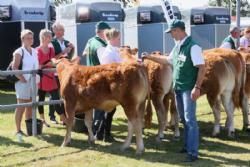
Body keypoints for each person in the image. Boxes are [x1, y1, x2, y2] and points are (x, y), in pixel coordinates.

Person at [142, 19, 206, 162]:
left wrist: (197, 87)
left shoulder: (193, 47)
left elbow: (202, 67)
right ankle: (187, 146)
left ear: (179, 30)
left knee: (190, 120)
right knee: (184, 119)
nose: (171, 35)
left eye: (172, 32)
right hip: (178, 88)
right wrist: (149, 56)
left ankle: (193, 152)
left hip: (188, 88)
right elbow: (167, 60)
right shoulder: (177, 46)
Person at [81, 21, 116, 142]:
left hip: (90, 77)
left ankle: (95, 131)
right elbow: (104, 63)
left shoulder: (90, 41)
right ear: (103, 32)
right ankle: (97, 133)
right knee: (101, 108)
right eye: (107, 32)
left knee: (95, 107)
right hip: (99, 80)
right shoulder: (101, 45)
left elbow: (84, 53)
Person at [12, 29, 40, 142]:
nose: (30, 40)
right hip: (23, 82)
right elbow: (14, 68)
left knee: (30, 106)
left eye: (31, 38)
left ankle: (30, 129)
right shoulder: (19, 51)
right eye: (28, 38)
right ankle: (18, 130)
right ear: (22, 39)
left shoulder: (34, 51)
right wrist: (22, 79)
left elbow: (36, 66)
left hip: (33, 82)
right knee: (21, 106)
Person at [95, 28, 122, 142]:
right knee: (108, 110)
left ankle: (102, 133)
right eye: (118, 38)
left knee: (110, 110)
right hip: (108, 84)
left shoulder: (114, 50)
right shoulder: (108, 52)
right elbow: (107, 70)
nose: (120, 40)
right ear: (113, 39)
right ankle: (105, 134)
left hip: (113, 84)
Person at [37, 29, 66, 127]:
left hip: (51, 77)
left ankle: (63, 118)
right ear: (43, 37)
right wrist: (47, 64)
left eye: (50, 36)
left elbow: (53, 61)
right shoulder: (37, 50)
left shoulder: (51, 49)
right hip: (41, 78)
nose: (50, 38)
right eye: (49, 36)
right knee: (41, 100)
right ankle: (42, 120)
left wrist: (57, 62)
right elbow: (38, 66)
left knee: (56, 98)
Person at [50, 21, 74, 124]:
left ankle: (63, 115)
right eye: (59, 29)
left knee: (65, 94)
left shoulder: (67, 42)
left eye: (62, 29)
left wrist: (72, 49)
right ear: (54, 31)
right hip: (55, 72)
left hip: (65, 72)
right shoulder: (52, 42)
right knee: (54, 94)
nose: (61, 31)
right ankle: (52, 116)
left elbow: (69, 57)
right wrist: (64, 52)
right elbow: (52, 59)